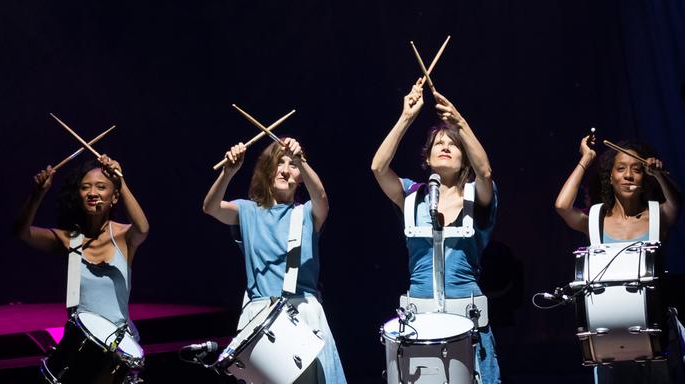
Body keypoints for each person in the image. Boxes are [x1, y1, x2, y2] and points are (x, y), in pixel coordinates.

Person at [371, 78, 501, 382]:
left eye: (453, 144)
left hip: (467, 318)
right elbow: (378, 168)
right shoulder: (411, 196)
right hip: (420, 318)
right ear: (427, 158)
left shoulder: (477, 196)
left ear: (463, 158)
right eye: (439, 143)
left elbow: (485, 171)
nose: (445, 146)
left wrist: (459, 122)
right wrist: (406, 117)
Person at [554, 135, 685, 384]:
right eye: (620, 168)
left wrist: (659, 174)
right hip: (611, 334)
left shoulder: (658, 216)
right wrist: (586, 159)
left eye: (636, 170)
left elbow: (676, 204)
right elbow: (562, 206)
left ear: (644, 177)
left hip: (655, 329)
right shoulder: (595, 219)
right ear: (610, 177)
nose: (628, 175)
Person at [202, 137, 346, 383]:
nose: (286, 170)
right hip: (261, 317)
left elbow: (321, 195)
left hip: (303, 314)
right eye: (280, 162)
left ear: (300, 176)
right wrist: (228, 172)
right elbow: (211, 207)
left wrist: (301, 160)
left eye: (292, 165)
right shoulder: (247, 211)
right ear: (268, 170)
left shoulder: (308, 213)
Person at [14, 155, 149, 381]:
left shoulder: (124, 237)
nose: (92, 193)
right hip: (80, 342)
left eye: (101, 187)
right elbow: (22, 233)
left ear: (114, 197)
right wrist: (37, 195)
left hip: (117, 344)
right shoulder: (72, 241)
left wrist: (121, 181)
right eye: (85, 187)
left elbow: (143, 228)